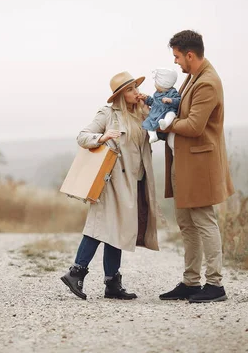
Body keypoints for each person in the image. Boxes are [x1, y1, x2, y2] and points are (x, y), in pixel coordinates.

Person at [60, 71, 160, 300]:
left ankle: (112, 284)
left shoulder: (142, 111)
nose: (136, 92)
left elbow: (159, 126)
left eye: (136, 87)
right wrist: (102, 138)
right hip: (112, 180)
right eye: (131, 89)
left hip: (135, 180)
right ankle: (76, 272)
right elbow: (82, 136)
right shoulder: (108, 114)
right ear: (120, 95)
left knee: (119, 229)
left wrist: (152, 104)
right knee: (100, 225)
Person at [157, 30, 235, 303]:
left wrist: (165, 123)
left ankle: (215, 285)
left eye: (178, 57)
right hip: (183, 163)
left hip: (200, 165)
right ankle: (191, 282)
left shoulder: (207, 83)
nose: (176, 62)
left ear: (190, 55)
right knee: (186, 223)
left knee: (204, 220)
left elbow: (193, 125)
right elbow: (180, 110)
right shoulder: (192, 77)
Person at [140, 68, 181, 143]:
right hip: (156, 113)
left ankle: (165, 123)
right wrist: (146, 98)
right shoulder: (157, 93)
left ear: (164, 84)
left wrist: (170, 100)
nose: (155, 85)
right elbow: (154, 103)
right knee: (148, 122)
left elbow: (179, 101)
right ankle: (153, 136)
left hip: (167, 111)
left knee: (171, 114)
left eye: (156, 82)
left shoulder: (172, 92)